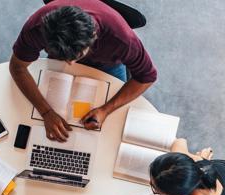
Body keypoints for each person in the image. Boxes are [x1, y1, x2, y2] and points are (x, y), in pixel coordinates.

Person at [9, 0, 158, 142]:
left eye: (76, 56)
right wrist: (46, 112)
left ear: (94, 36)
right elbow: (17, 67)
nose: (70, 64)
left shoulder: (122, 40)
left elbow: (147, 77)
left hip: (108, 64)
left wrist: (106, 110)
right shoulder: (36, 27)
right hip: (60, 58)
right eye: (65, 58)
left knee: (113, 126)